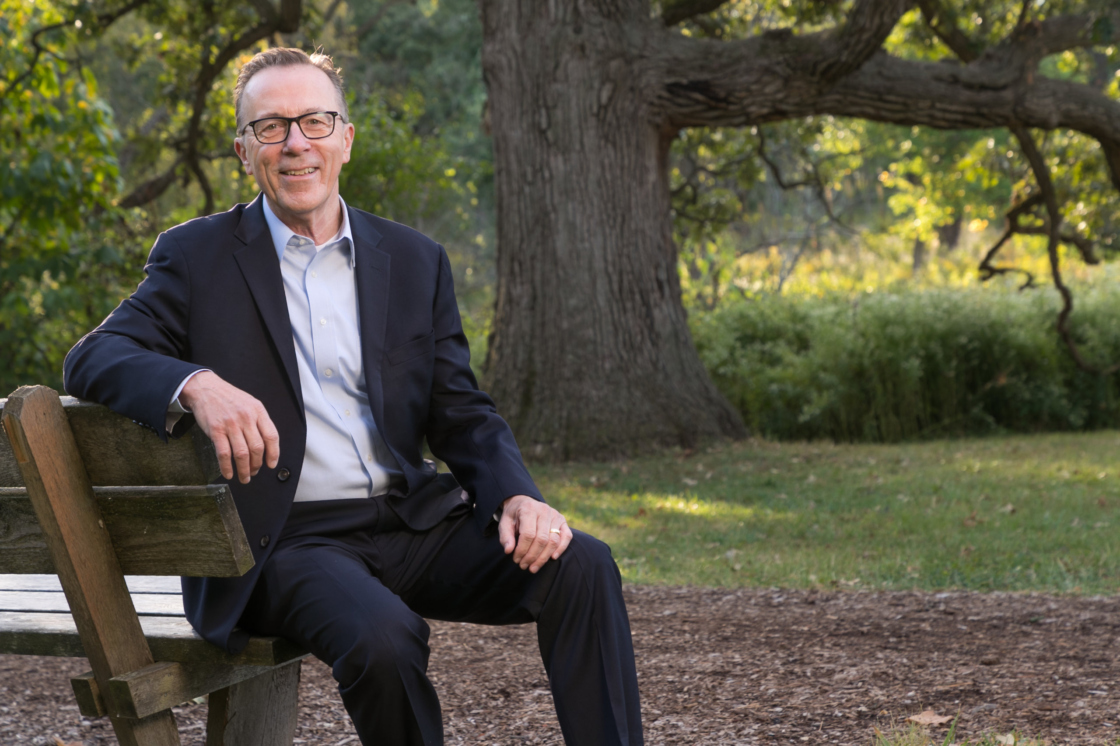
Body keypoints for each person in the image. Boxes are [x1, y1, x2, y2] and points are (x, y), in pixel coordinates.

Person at [63, 47, 643, 746]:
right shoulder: (197, 257)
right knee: (385, 637)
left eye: (314, 121)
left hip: (411, 522)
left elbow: (459, 409)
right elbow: (92, 356)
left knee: (582, 565)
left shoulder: (413, 258)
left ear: (345, 138)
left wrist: (518, 496)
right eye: (271, 127)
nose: (295, 143)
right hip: (287, 542)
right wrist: (197, 384)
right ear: (244, 151)